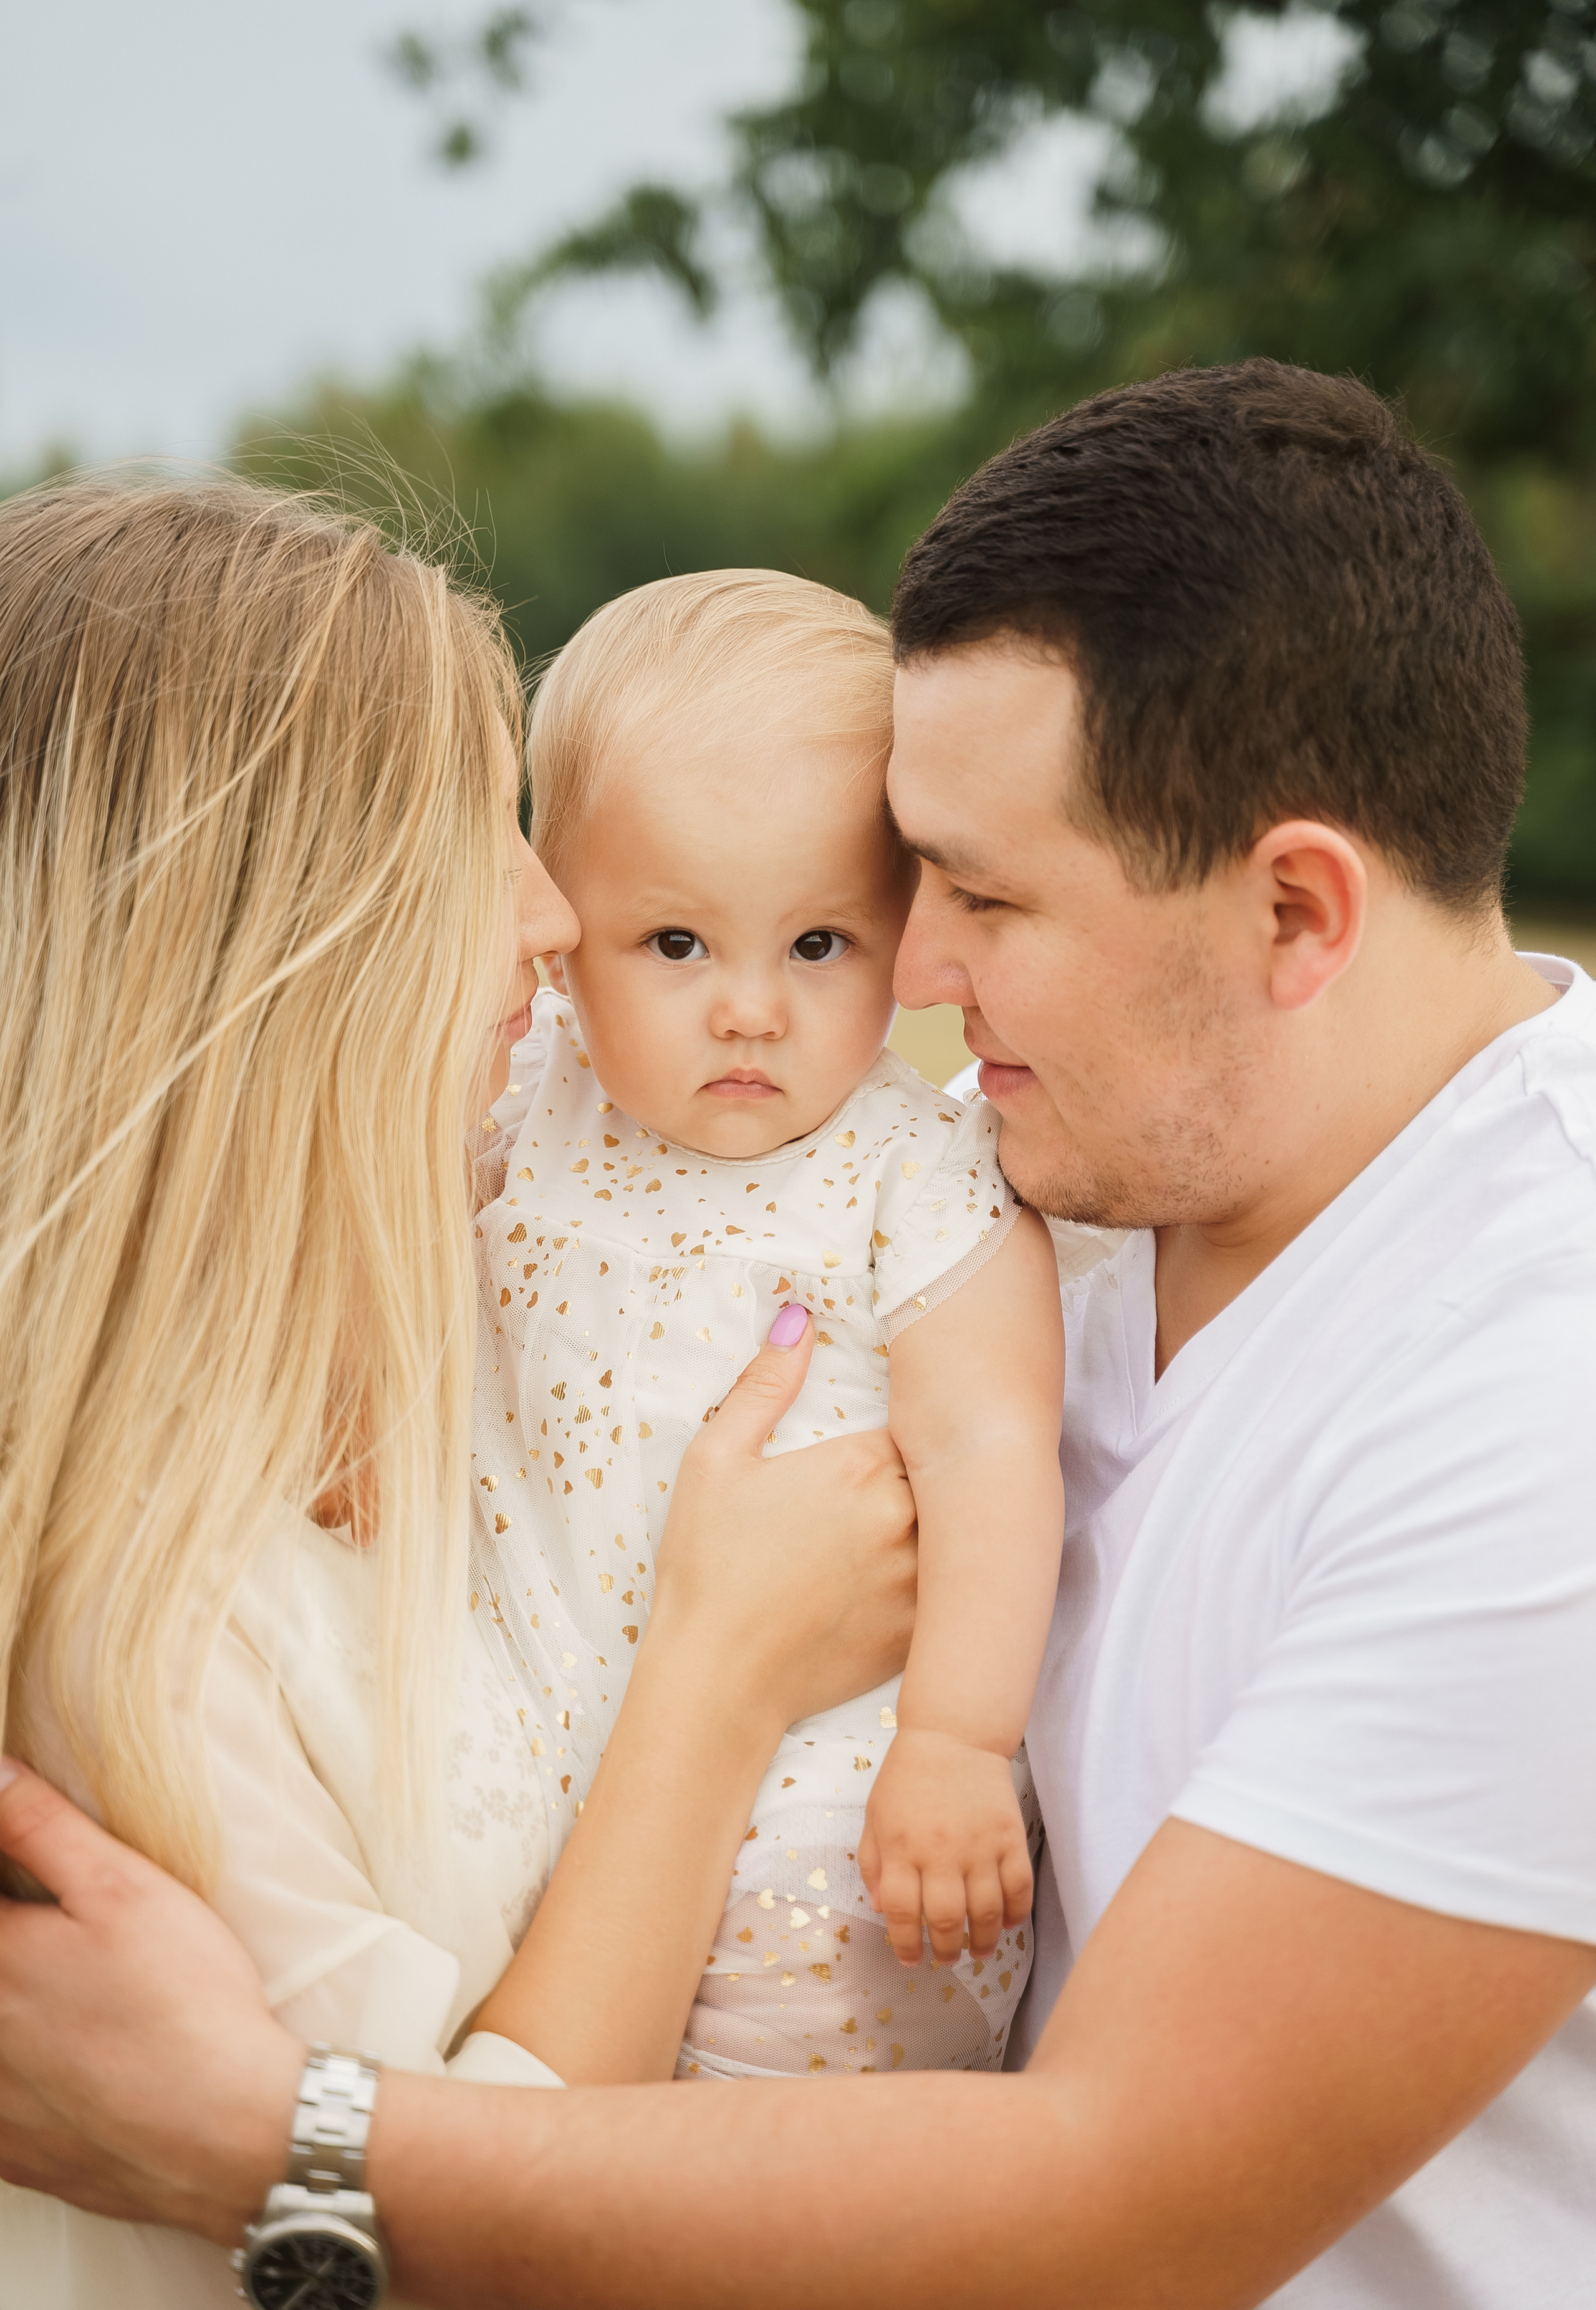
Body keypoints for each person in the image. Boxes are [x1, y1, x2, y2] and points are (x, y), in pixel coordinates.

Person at [2, 360, 1594, 2310]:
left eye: (981, 898)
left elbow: (1126, 2200)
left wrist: (277, 2139)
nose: (909, 976)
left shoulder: (1541, 1376)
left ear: (1292, 917)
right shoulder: (1054, 1203)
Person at [0, 478, 915, 2308]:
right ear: (264, 949)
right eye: (471, 836)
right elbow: (450, 2248)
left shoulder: (411, 1333)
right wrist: (721, 1679)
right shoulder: (124, 1626)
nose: (554, 912)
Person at [468, 570, 1063, 2082]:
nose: (748, 1011)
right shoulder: (524, 1100)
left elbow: (994, 1453)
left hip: (842, 1830)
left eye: (816, 946)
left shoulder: (911, 1171)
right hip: (547, 1770)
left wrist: (956, 1742)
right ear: (558, 925)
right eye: (674, 945)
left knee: (775, 2190)